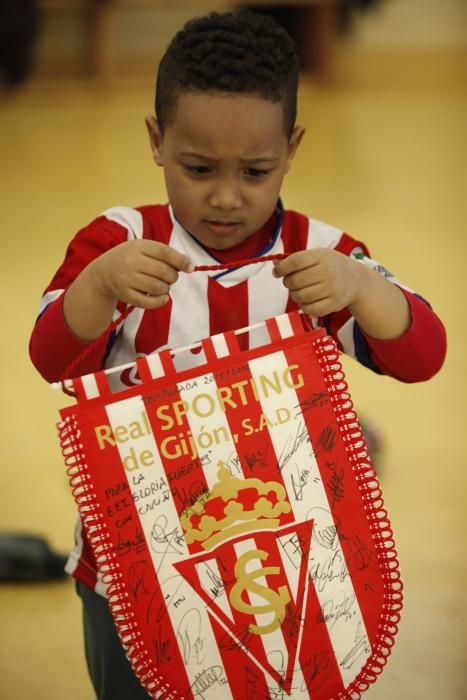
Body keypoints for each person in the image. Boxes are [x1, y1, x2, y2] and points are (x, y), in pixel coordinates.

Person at [29, 9, 446, 700]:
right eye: (197, 168)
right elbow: (51, 357)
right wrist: (99, 286)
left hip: (293, 567)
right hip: (135, 562)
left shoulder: (323, 257)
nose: (226, 197)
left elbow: (421, 353)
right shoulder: (117, 242)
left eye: (255, 170)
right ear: (156, 141)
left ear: (292, 147)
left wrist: (361, 286)